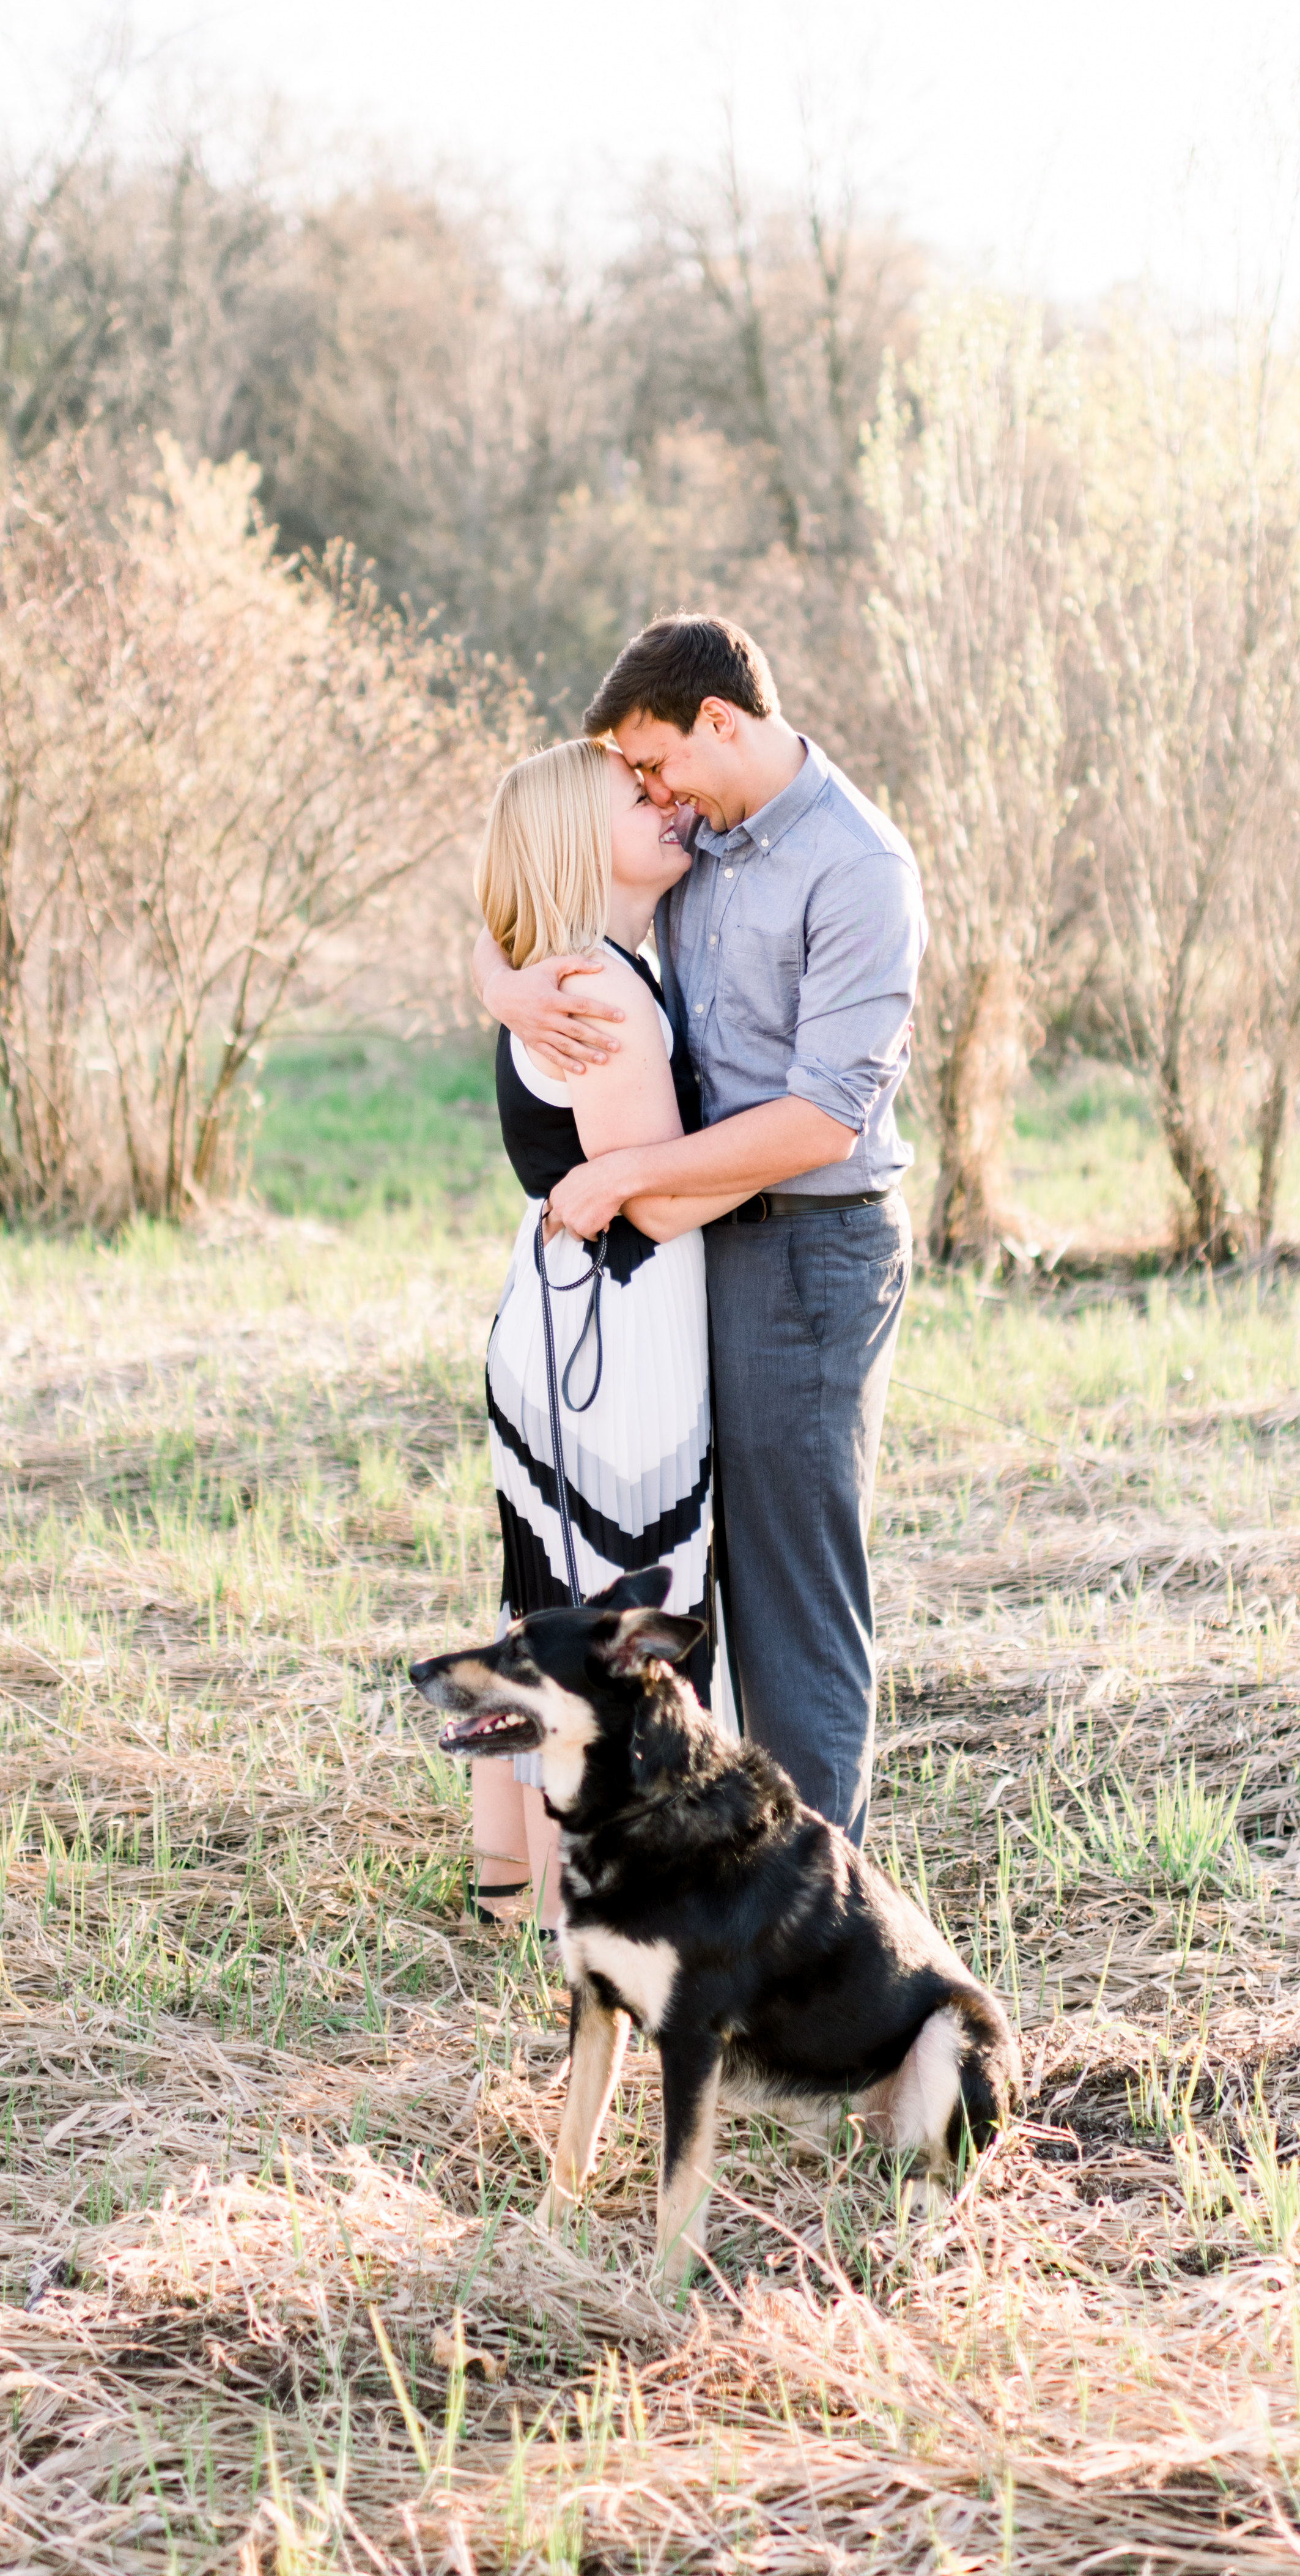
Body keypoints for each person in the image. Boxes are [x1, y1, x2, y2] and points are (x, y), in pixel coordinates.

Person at [475, 615, 925, 1846]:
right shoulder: (703, 839)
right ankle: (700, 1861)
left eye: (654, 763)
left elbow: (825, 1119)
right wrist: (502, 982)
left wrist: (627, 1176)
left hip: (808, 1249)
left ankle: (815, 1899)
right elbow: (533, 867)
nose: (649, 792)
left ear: (717, 724)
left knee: (790, 1583)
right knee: (689, 1570)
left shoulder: (859, 868)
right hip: (695, 1248)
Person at [467, 735, 750, 1930]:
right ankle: (613, 1907)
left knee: (547, 1604)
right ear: (583, 842)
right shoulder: (597, 988)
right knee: (626, 1613)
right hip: (612, 1346)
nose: (667, 804)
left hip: (566, 1324)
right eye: (637, 798)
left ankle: (515, 1894)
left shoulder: (569, 968)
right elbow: (664, 1200)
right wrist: (813, 1143)